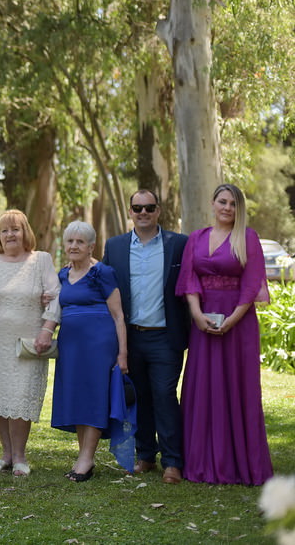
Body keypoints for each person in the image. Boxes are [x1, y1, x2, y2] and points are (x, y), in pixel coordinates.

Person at [175, 183, 273, 485]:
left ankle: (239, 463)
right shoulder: (196, 238)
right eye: (222, 201)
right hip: (203, 321)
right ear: (212, 203)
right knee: (203, 385)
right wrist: (196, 314)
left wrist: (233, 319)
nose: (227, 208)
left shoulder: (248, 238)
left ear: (238, 208)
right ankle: (202, 461)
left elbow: (252, 281)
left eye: (233, 203)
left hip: (238, 322)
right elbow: (189, 278)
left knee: (236, 384)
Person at [101, 190, 189, 484]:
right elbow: (101, 285)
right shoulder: (114, 247)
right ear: (130, 211)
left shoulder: (178, 244)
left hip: (166, 336)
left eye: (149, 207)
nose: (143, 212)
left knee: (164, 395)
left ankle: (173, 461)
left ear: (158, 211)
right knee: (139, 397)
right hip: (131, 338)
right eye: (137, 208)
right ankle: (146, 456)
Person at [0, 209, 61, 478]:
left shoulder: (41, 260)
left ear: (26, 232)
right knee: (0, 398)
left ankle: (21, 456)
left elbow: (56, 296)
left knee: (20, 397)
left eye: (16, 229)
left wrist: (47, 328)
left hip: (29, 341)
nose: (10, 234)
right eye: (4, 230)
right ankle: (6, 454)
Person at [50, 221, 128, 482]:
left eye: (80, 242)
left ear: (91, 246)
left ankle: (85, 459)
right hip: (70, 346)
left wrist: (123, 354)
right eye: (70, 241)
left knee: (94, 396)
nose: (74, 246)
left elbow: (118, 316)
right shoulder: (62, 275)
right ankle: (85, 456)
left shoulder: (103, 273)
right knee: (78, 397)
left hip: (99, 344)